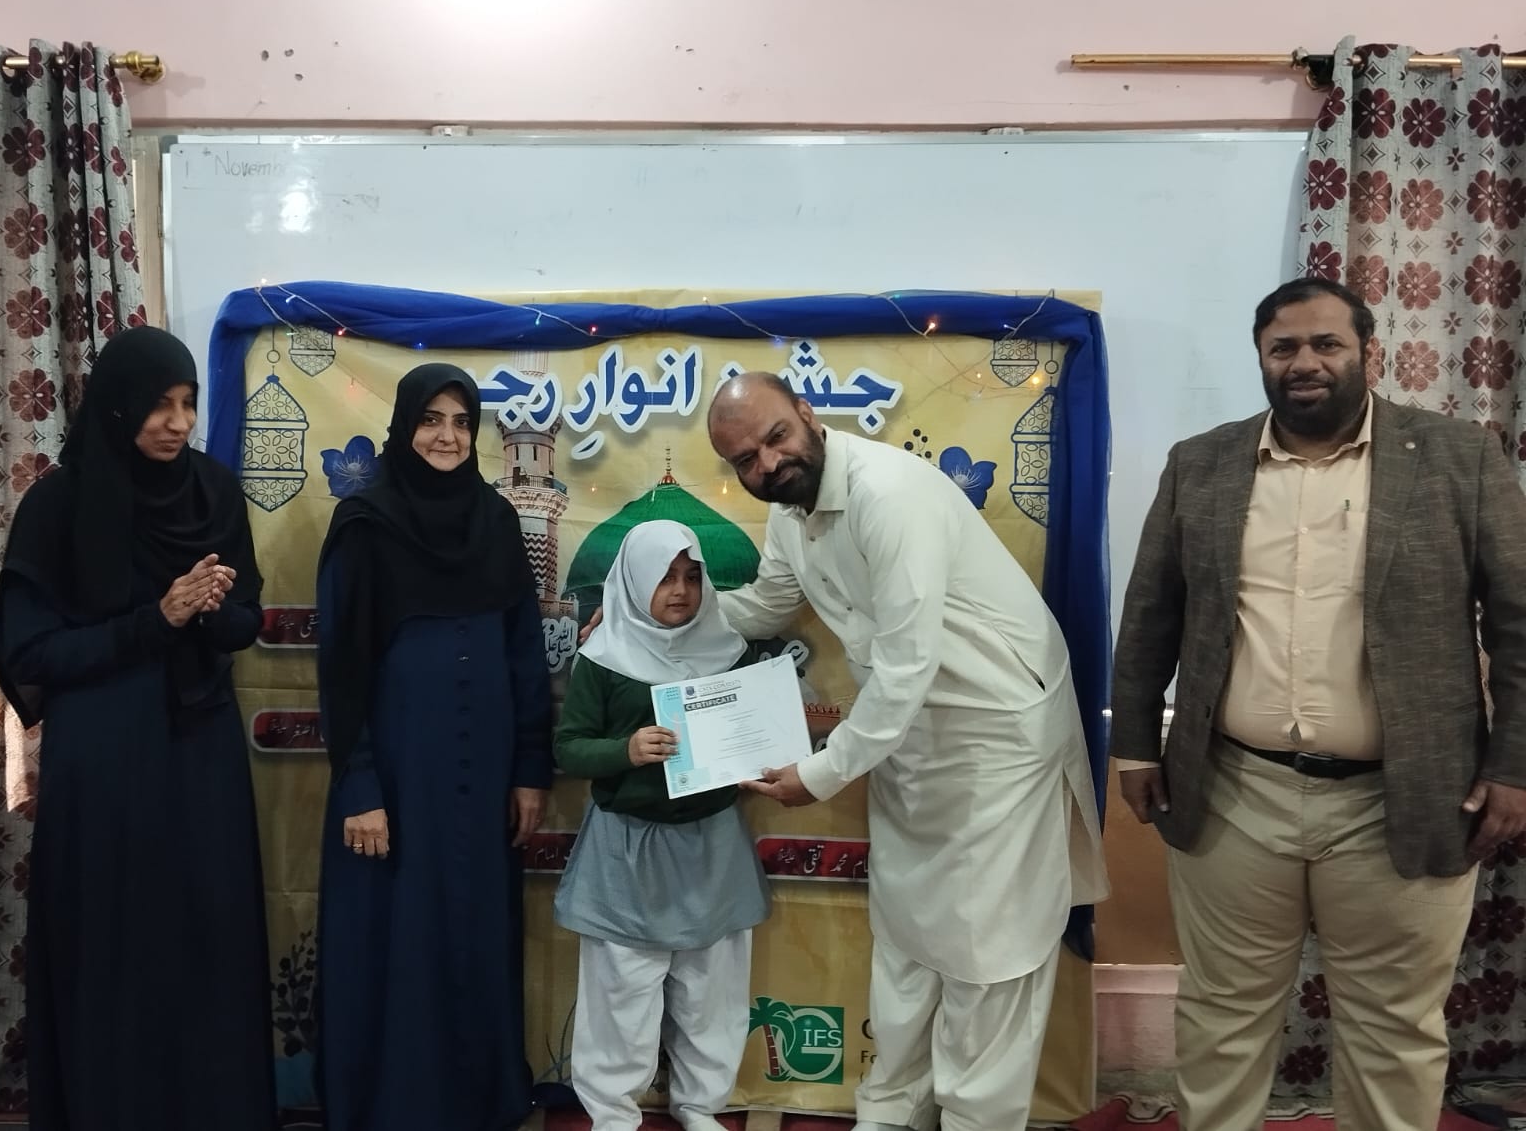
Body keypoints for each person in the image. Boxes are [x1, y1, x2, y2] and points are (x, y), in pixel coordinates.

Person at [1111, 276, 1526, 1131]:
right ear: (1262, 359)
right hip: (1234, 792)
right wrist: (1136, 745)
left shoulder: (1458, 456)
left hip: (1403, 797)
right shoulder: (1201, 463)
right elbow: (1152, 612)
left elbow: (1521, 621)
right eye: (1284, 348)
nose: (1305, 362)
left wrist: (1515, 766)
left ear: (1368, 352)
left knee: (1394, 1031)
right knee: (1221, 1018)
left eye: (1326, 344)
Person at [706, 373, 1107, 1131]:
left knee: (989, 953)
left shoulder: (887, 494)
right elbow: (765, 605)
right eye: (745, 460)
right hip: (905, 741)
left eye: (775, 437)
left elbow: (905, 667)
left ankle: (975, 1121)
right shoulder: (791, 515)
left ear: (806, 412)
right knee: (908, 942)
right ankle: (891, 1114)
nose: (767, 463)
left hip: (997, 739)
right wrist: (652, 618)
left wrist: (819, 773)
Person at [0, 326, 275, 1131]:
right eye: (159, 405)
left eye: (188, 403)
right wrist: (157, 618)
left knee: (207, 940)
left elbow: (246, 616)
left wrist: (216, 610)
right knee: (115, 946)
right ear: (118, 407)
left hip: (199, 750)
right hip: (104, 759)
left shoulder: (213, 492)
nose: (178, 422)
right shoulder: (59, 504)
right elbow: (32, 651)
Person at [313, 362, 553, 1131]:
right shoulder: (365, 524)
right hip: (397, 776)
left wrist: (529, 770)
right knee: (396, 938)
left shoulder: (496, 521)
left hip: (482, 783)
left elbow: (524, 652)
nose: (447, 437)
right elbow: (340, 667)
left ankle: (476, 1104)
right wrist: (360, 788)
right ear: (404, 426)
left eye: (461, 422)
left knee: (473, 936)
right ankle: (392, 1108)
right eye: (430, 420)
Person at [553, 519, 771, 1131]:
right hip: (627, 847)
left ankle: (701, 1107)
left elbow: (755, 732)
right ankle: (612, 1115)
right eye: (664, 577)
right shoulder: (603, 657)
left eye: (692, 577)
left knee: (712, 990)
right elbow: (569, 748)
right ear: (632, 581)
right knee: (620, 991)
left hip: (711, 842)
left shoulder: (729, 651)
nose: (680, 591)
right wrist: (625, 750)